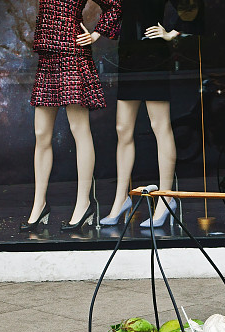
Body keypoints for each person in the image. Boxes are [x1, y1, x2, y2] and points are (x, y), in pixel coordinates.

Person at [100, 0, 203, 227]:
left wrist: (171, 34)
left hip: (153, 55)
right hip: (127, 55)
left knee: (160, 126)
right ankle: (121, 198)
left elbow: (191, 6)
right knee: (122, 128)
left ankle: (166, 197)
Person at [21, 0, 121, 232]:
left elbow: (115, 4)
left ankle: (83, 203)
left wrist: (96, 34)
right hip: (48, 55)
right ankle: (39, 204)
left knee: (79, 130)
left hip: (72, 53)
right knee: (41, 134)